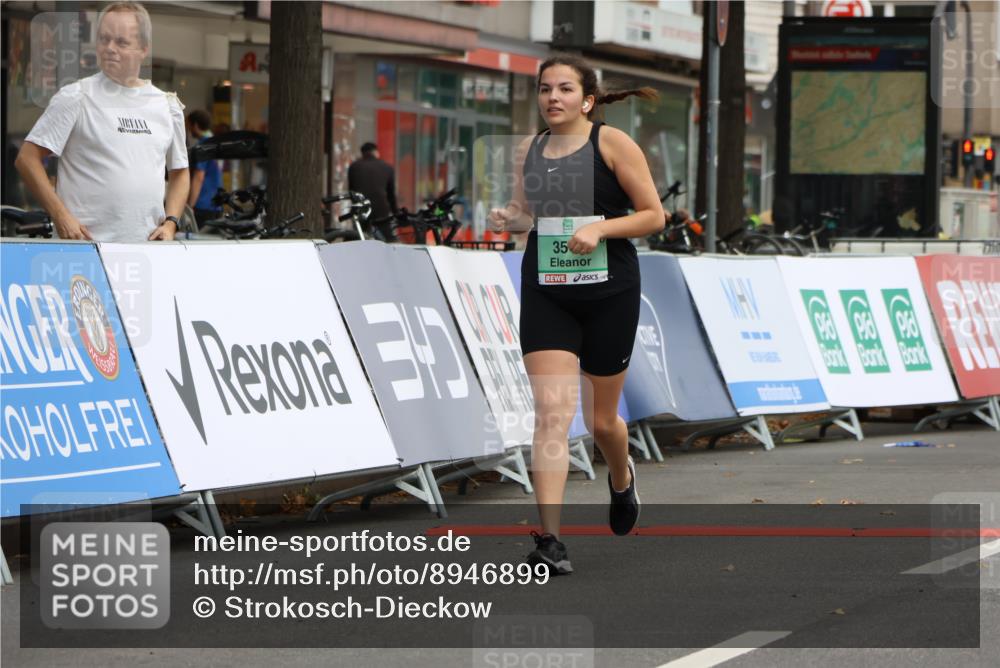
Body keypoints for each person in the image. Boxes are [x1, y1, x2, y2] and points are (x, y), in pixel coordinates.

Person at [488, 55, 664, 575]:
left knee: (601, 419)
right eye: (545, 89)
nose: (553, 98)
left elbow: (653, 214)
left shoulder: (611, 144)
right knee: (552, 416)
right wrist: (510, 216)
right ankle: (549, 540)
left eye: (565, 89)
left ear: (587, 100)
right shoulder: (531, 148)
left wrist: (601, 230)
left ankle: (621, 476)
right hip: (549, 290)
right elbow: (527, 212)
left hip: (610, 291)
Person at [15, 1, 189, 242]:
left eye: (121, 42)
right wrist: (61, 216)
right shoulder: (76, 96)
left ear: (144, 49)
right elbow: (27, 158)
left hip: (147, 252)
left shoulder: (167, 105)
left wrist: (171, 224)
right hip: (84, 251)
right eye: (104, 39)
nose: (109, 48)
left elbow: (179, 172)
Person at [347, 142, 398, 240]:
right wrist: (395, 212)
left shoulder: (354, 167)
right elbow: (391, 195)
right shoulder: (387, 167)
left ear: (362, 153)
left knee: (358, 238)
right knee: (388, 239)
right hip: (381, 209)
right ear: (376, 152)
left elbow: (352, 191)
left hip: (362, 207)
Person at [186, 109, 222, 227]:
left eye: (189, 125)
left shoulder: (202, 147)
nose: (188, 129)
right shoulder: (215, 143)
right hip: (216, 203)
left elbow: (199, 177)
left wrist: (190, 206)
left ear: (195, 125)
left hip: (202, 204)